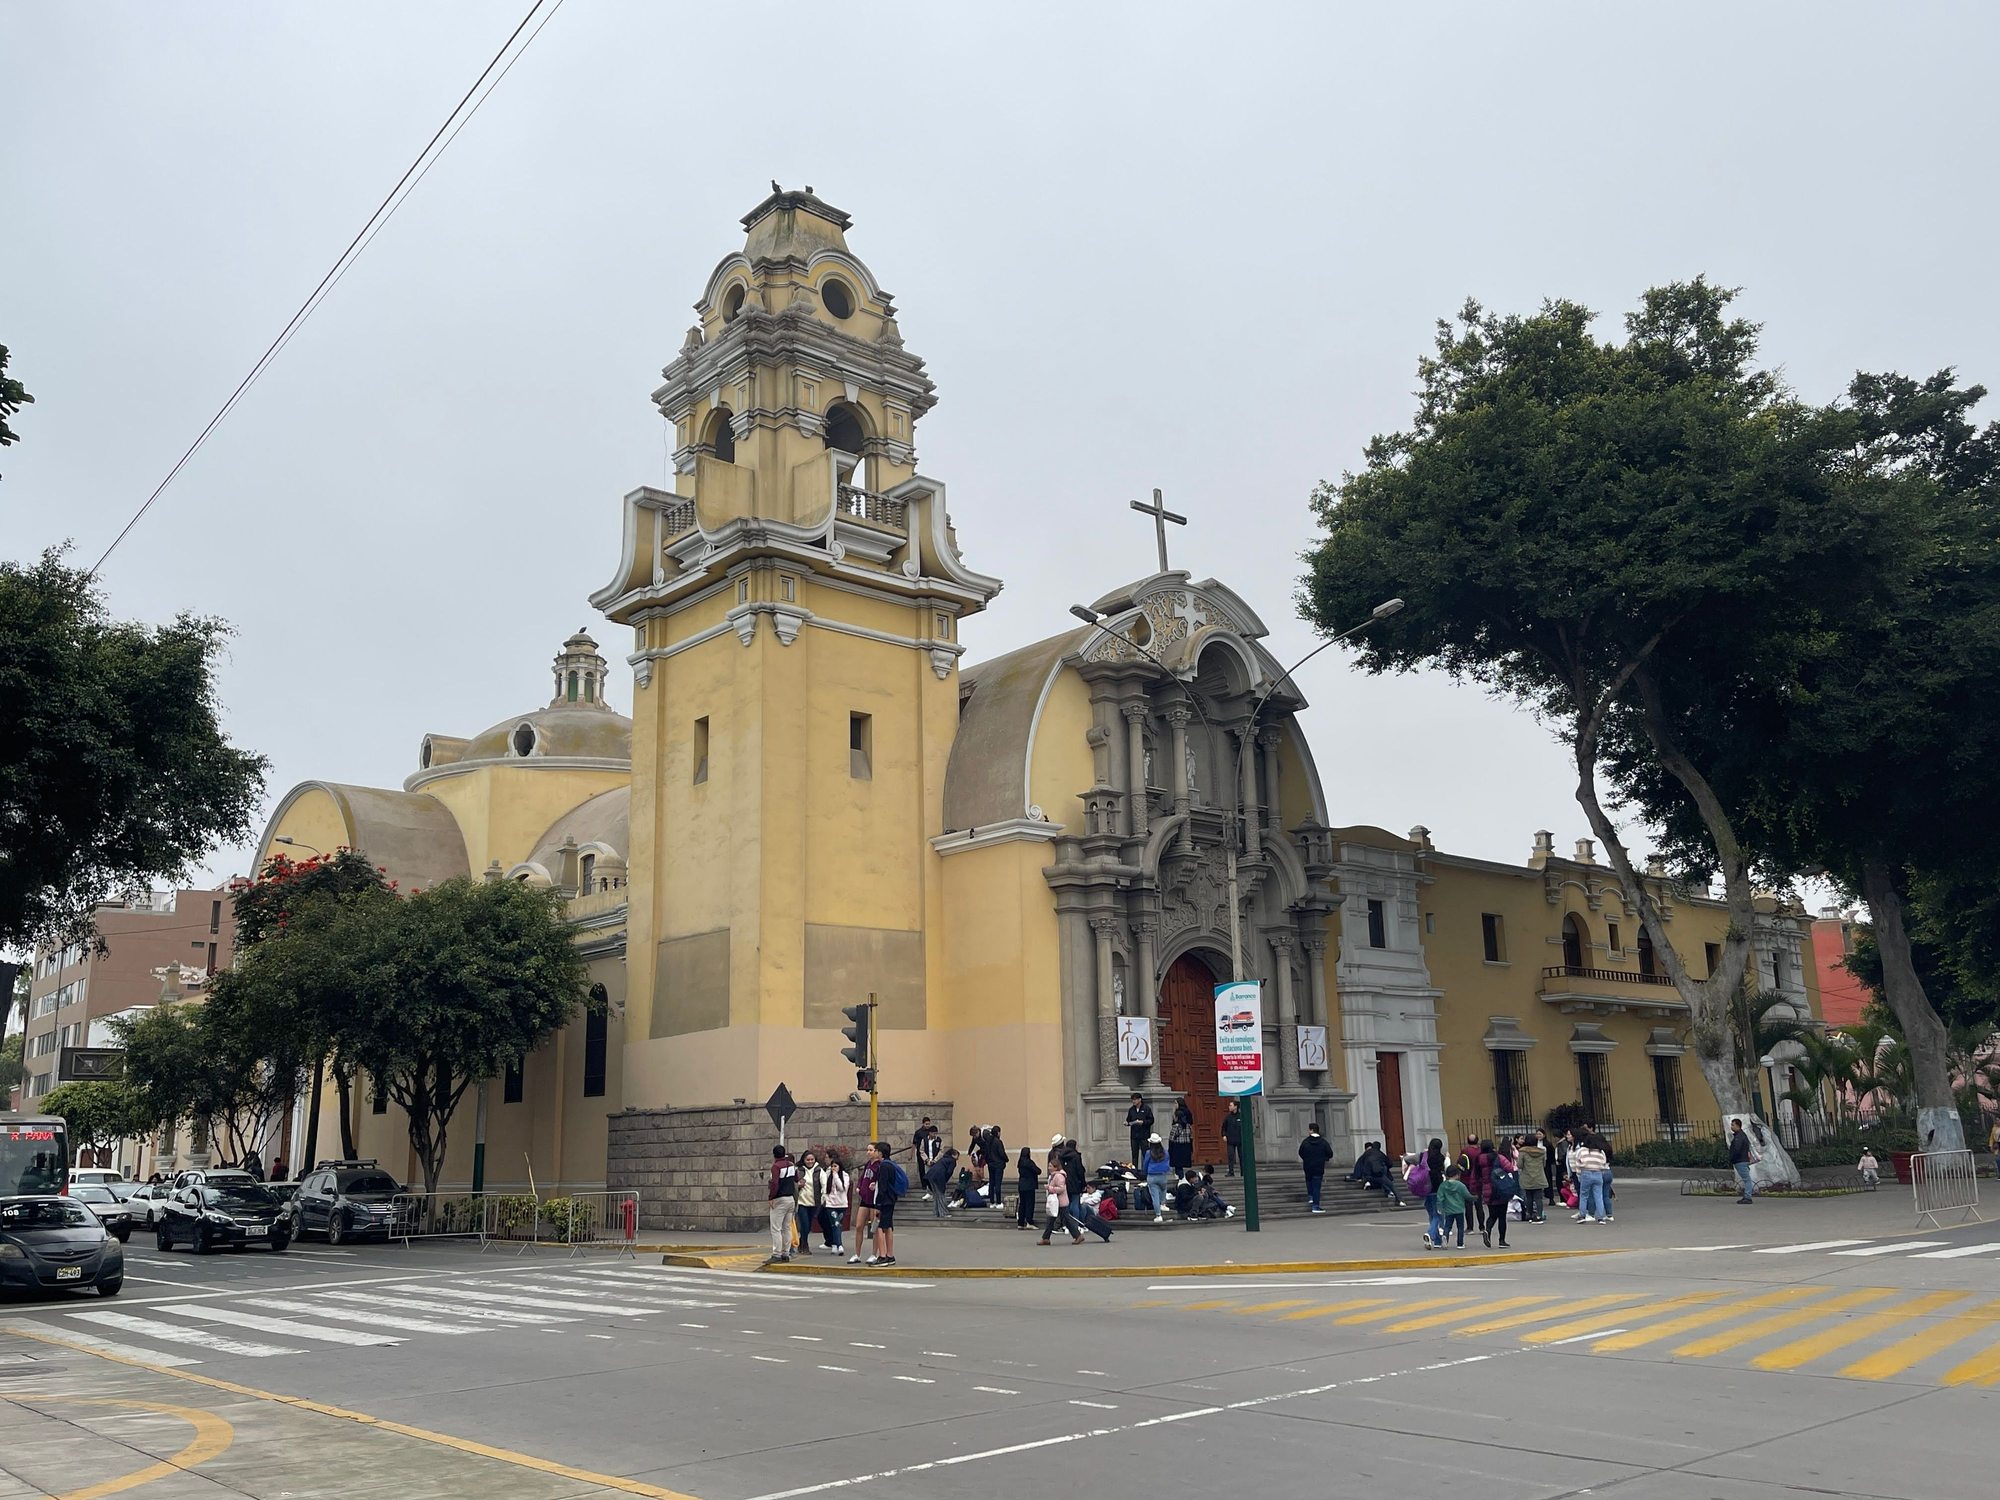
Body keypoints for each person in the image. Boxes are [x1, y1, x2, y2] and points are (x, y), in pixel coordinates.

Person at [866, 1140, 900, 1266]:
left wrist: (878, 1205)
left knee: (879, 1228)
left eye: (876, 1151)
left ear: (880, 1152)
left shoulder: (883, 1166)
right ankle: (890, 1255)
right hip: (890, 1199)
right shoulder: (891, 1164)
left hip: (884, 1201)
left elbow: (883, 1187)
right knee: (888, 1227)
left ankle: (882, 1256)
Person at [1040, 1150, 1083, 1245]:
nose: (1048, 1168)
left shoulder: (1059, 1176)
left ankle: (1077, 1235)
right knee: (1053, 1219)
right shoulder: (1055, 1175)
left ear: (1055, 1167)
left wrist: (1050, 1188)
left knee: (1064, 1219)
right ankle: (1046, 1238)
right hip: (1057, 1202)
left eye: (1050, 1166)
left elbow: (1061, 1189)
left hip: (1060, 1201)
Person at [767, 1144, 798, 1262]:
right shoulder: (791, 1165)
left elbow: (775, 1184)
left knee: (776, 1228)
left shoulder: (776, 1167)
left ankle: (776, 1254)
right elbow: (796, 1178)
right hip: (791, 1199)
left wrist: (771, 1197)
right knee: (787, 1227)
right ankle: (786, 1253)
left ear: (774, 1155)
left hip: (779, 1199)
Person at [1572, 1133, 1612, 1224]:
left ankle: (1582, 1216)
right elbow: (1603, 1164)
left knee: (1584, 1196)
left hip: (1586, 1173)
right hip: (1598, 1173)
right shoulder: (1600, 1152)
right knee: (1598, 1196)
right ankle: (1601, 1217)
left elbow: (1577, 1163)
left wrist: (1579, 1175)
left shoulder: (1582, 1151)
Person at [1486, 1140, 1518, 1248]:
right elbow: (1510, 1168)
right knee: (1502, 1216)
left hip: (1487, 1190)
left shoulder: (1479, 1159)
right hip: (1500, 1188)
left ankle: (1487, 1230)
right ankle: (1501, 1240)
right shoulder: (1499, 1157)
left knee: (1492, 1215)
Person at [792, 1149, 824, 1255]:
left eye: (812, 1159)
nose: (810, 1162)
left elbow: (824, 1185)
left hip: (814, 1202)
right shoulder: (799, 1170)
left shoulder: (819, 1171)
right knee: (804, 1225)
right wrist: (798, 1185)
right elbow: (793, 1184)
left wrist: (824, 1198)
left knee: (809, 1226)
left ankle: (802, 1242)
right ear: (804, 1160)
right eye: (808, 1160)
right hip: (802, 1202)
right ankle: (805, 1245)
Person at [1434, 1166, 1472, 1249]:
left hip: (1448, 1210)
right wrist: (1474, 1197)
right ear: (1457, 1175)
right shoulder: (1460, 1185)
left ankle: (1445, 1239)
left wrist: (1439, 1207)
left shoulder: (1443, 1186)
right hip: (1459, 1209)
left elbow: (1439, 1198)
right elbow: (1467, 1195)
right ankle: (1460, 1243)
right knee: (1460, 1227)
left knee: (1447, 1226)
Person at [1299, 1122, 1333, 1213]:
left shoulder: (1305, 1142)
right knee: (1316, 1186)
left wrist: (1306, 1159)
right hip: (1318, 1166)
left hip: (1308, 1166)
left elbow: (1300, 1152)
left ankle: (1310, 1196)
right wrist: (1324, 1158)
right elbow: (1330, 1153)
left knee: (1309, 1181)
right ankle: (1315, 1206)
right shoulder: (1323, 1142)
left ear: (1311, 1130)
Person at [1516, 1133, 1548, 1223]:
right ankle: (1539, 1215)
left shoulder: (1523, 1152)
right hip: (1539, 1176)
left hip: (1527, 1177)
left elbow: (1519, 1165)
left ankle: (1529, 1214)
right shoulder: (1542, 1152)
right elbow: (1544, 1164)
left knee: (1528, 1197)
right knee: (1538, 1198)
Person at [821, 1151, 849, 1254]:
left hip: (841, 1204)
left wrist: (836, 1176)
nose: (833, 1168)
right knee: (835, 1224)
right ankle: (839, 1245)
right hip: (831, 1204)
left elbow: (842, 1188)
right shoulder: (828, 1174)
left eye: (836, 1166)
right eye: (832, 1166)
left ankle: (834, 1244)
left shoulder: (845, 1176)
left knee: (838, 1225)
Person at [1729, 1119, 1758, 1205]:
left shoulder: (1739, 1137)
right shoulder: (1741, 1135)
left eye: (1733, 1125)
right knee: (1746, 1179)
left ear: (1738, 1125)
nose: (1731, 1127)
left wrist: (1732, 1158)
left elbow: (1737, 1149)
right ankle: (1746, 1196)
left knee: (1747, 1179)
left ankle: (1747, 1197)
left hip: (1740, 1160)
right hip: (1742, 1160)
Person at [1144, 1135, 1173, 1221]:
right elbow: (1168, 1164)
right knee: (1163, 1189)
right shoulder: (1165, 1152)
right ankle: (1163, 1204)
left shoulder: (1149, 1153)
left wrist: (1144, 1173)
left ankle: (1158, 1215)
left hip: (1152, 1176)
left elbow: (1145, 1164)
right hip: (1162, 1175)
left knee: (1155, 1196)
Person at [926, 1144, 959, 1218]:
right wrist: (944, 1182)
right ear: (953, 1155)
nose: (958, 1158)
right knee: (941, 1195)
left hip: (930, 1176)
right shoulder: (952, 1161)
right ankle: (943, 1213)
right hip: (939, 1178)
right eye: (957, 1156)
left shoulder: (943, 1159)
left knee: (936, 1195)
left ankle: (936, 1212)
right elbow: (949, 1172)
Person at [1014, 1145, 1042, 1229]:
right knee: (1030, 1203)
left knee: (1022, 1204)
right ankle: (1029, 1221)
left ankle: (1020, 1223)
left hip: (1021, 1185)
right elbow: (1038, 1171)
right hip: (1029, 1185)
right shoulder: (1029, 1162)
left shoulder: (1020, 1163)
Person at [982, 1126, 1008, 1210]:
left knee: (991, 1183)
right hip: (998, 1165)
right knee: (998, 1183)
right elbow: (1001, 1153)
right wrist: (1006, 1159)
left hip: (991, 1164)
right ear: (998, 1133)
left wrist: (988, 1161)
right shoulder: (998, 1142)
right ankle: (999, 1202)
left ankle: (992, 1201)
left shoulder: (987, 1142)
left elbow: (985, 1153)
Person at [914, 1120, 942, 1199]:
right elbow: (921, 1150)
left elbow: (941, 1151)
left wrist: (935, 1160)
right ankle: (929, 1192)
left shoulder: (939, 1140)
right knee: (928, 1177)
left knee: (936, 1177)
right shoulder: (925, 1140)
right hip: (927, 1162)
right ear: (929, 1133)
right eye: (933, 1133)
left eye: (936, 1133)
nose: (935, 1135)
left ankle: (936, 1192)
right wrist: (926, 1160)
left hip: (936, 1162)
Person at [1125, 1094, 1155, 1165]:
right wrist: (1127, 1123)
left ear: (1140, 1099)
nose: (1133, 1101)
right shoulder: (1131, 1109)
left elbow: (1151, 1120)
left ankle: (1145, 1171)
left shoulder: (1146, 1108)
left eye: (1135, 1099)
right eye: (1132, 1100)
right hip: (1134, 1136)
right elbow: (1128, 1120)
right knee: (1134, 1154)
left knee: (1145, 1154)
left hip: (1144, 1135)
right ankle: (1135, 1171)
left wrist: (1143, 1122)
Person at [1169, 1099, 1195, 1174]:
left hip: (1177, 1145)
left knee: (1178, 1164)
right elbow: (1190, 1135)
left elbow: (1172, 1137)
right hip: (1186, 1144)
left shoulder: (1176, 1125)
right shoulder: (1187, 1125)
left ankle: (1180, 1176)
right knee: (1181, 1163)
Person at [1222, 1100, 1242, 1177]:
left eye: (1231, 1105)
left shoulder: (1241, 1116)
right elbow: (1224, 1127)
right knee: (1230, 1156)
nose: (1229, 1107)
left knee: (1241, 1156)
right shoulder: (1228, 1117)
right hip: (1230, 1140)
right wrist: (1224, 1135)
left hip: (1240, 1140)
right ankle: (1231, 1171)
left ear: (1235, 1106)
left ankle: (1243, 1171)